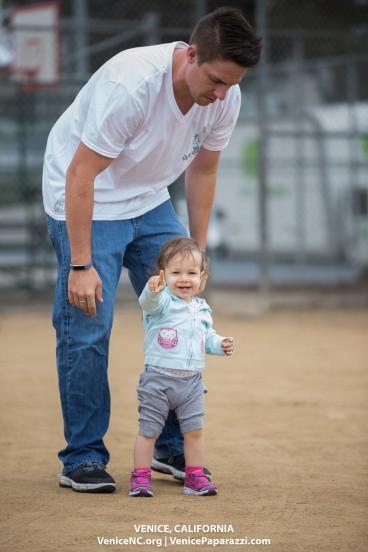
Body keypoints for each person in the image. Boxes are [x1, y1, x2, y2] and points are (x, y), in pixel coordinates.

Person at [43, 6, 261, 493]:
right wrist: (81, 263)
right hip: (85, 195)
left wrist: (195, 252)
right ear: (190, 54)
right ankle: (82, 457)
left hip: (147, 198)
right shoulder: (133, 84)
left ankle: (168, 448)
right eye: (216, 79)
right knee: (87, 328)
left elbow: (202, 170)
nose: (221, 94)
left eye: (232, 83)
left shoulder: (226, 96)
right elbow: (81, 174)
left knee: (179, 311)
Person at [129, 238, 233, 497]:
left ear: (202, 277)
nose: (184, 279)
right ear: (162, 275)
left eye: (191, 273)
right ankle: (140, 478)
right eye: (176, 273)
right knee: (149, 431)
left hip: (191, 384)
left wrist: (220, 344)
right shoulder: (162, 302)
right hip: (158, 380)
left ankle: (194, 477)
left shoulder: (201, 308)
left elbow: (204, 338)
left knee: (195, 432)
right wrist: (153, 290)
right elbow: (148, 304)